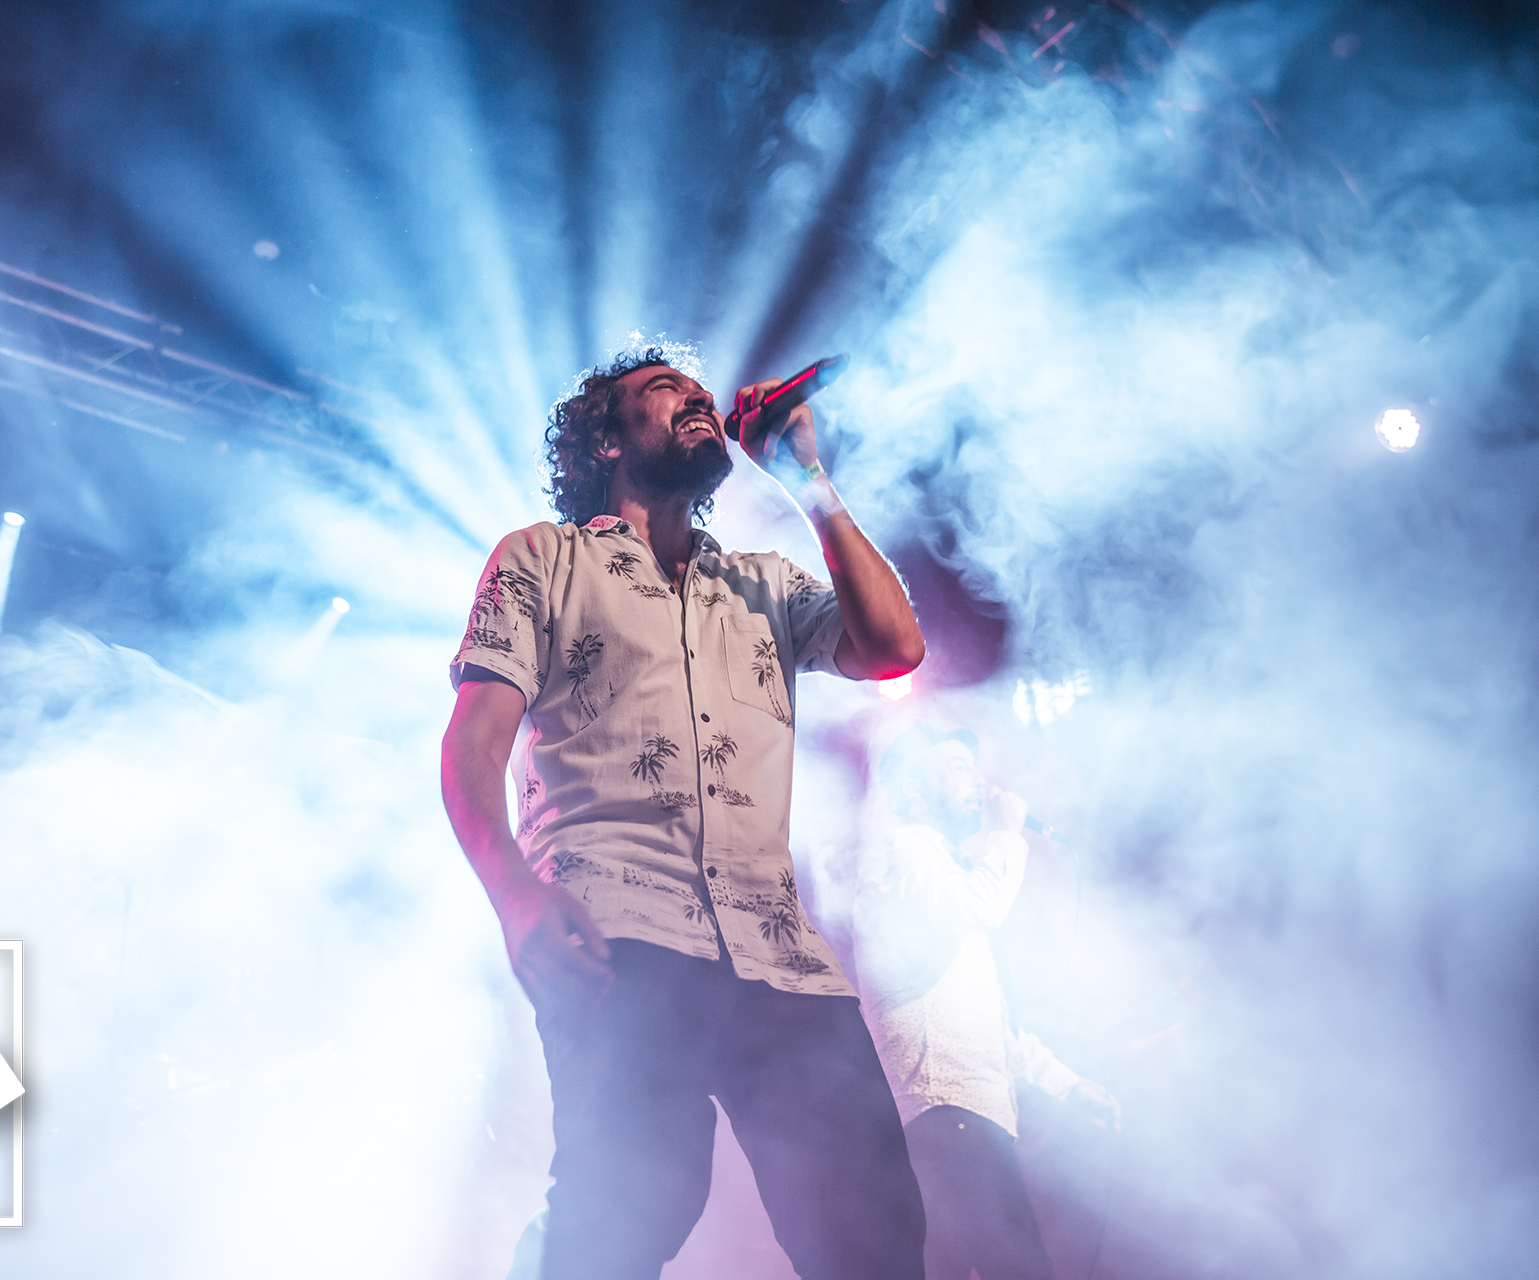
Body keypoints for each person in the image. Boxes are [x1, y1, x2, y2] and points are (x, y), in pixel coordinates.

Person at [442, 344, 929, 1280]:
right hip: (616, 929)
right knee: (633, 1204)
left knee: (871, 1230)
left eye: (701, 390)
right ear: (607, 441)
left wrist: (808, 479)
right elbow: (472, 747)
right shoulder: (541, 559)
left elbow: (894, 647)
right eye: (666, 389)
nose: (698, 397)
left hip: (779, 952)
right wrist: (514, 895)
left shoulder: (763, 584)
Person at [851, 726, 1121, 1280]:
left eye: (974, 766)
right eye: (956, 766)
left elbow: (989, 1026)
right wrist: (1007, 834)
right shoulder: (907, 849)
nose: (977, 779)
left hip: (962, 1116)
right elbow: (983, 907)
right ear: (914, 791)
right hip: (946, 1112)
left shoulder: (943, 871)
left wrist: (1065, 1083)